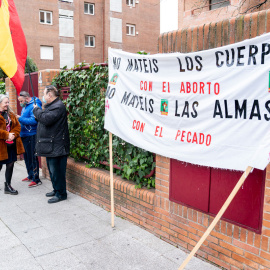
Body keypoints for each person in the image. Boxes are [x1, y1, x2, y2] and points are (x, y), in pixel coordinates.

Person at [33, 85, 70, 203]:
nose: (43, 97)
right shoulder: (52, 106)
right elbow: (44, 119)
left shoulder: (58, 106)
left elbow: (46, 119)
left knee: (57, 171)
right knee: (52, 170)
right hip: (51, 146)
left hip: (57, 146)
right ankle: (56, 189)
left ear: (49, 94)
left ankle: (61, 194)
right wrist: (38, 114)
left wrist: (36, 110)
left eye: (44, 94)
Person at [0, 94, 25, 195]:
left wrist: (12, 135)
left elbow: (18, 127)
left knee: (10, 165)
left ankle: (8, 186)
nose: (7, 104)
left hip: (11, 145)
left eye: (8, 102)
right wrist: (6, 135)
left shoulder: (11, 114)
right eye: (5, 102)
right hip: (1, 147)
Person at [18, 91, 42, 187]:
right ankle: (30, 175)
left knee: (32, 157)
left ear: (26, 98)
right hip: (24, 135)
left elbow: (34, 121)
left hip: (31, 134)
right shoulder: (25, 105)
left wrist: (19, 118)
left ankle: (36, 179)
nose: (20, 103)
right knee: (26, 157)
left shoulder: (34, 105)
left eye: (21, 101)